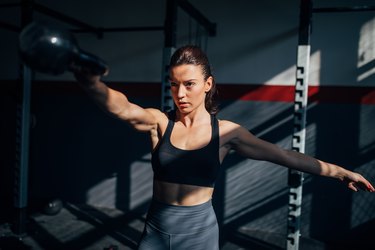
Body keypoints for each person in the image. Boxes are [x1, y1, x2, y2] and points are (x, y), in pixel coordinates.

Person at [74, 45, 374, 250]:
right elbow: (123, 108)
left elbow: (285, 156)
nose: (179, 93)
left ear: (207, 84)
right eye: (173, 84)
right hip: (156, 228)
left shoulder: (227, 133)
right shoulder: (159, 123)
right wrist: (91, 84)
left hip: (199, 232)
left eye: (189, 84)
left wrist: (339, 172)